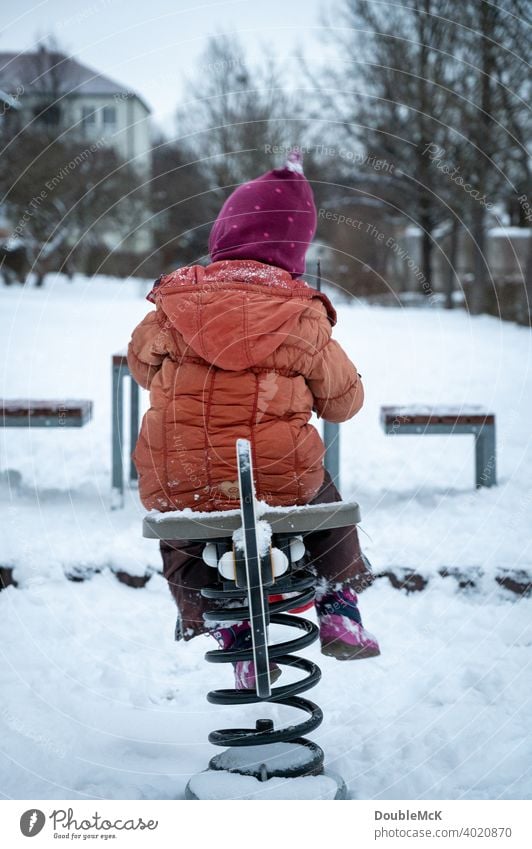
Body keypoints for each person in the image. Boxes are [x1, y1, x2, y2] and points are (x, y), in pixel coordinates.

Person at [127, 150, 380, 689]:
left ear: (224, 235)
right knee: (321, 492)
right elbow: (343, 404)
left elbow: (140, 366)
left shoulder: (173, 303)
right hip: (278, 482)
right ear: (294, 251)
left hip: (184, 484)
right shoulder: (303, 315)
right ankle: (339, 601)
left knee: (177, 514)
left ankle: (222, 625)